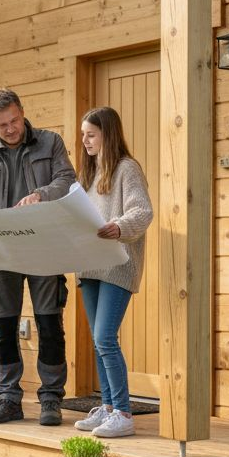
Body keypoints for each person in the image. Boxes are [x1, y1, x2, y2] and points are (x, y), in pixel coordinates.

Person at [0, 89, 77, 426]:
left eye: (13, 121)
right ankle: (8, 399)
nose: (10, 129)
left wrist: (42, 194)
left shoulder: (49, 142)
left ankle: (51, 400)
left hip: (45, 248)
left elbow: (67, 180)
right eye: (1, 125)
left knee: (49, 325)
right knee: (3, 328)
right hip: (0, 252)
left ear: (22, 112)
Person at [71, 106, 153, 438]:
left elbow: (143, 212)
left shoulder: (127, 169)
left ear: (108, 134)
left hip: (118, 265)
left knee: (105, 337)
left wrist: (118, 227)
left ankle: (123, 412)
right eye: (83, 135)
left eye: (91, 134)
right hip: (89, 265)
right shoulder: (88, 172)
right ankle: (107, 408)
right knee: (98, 340)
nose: (85, 141)